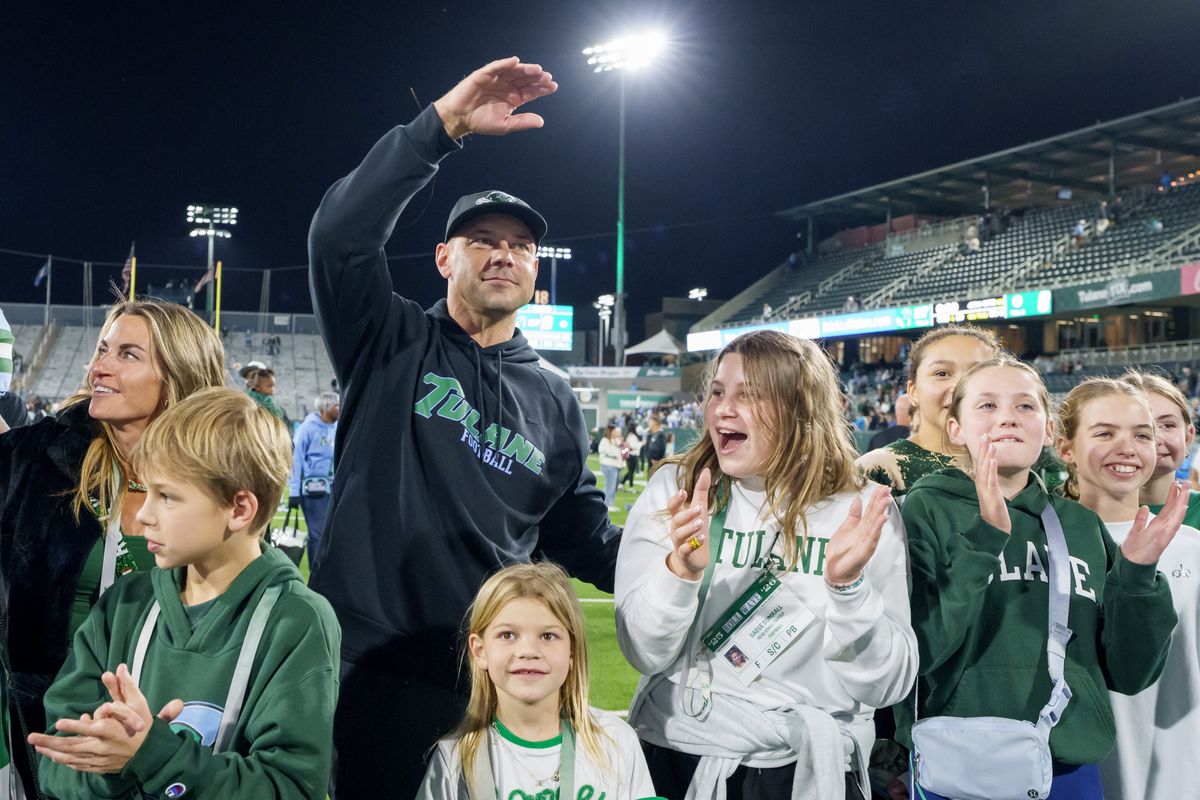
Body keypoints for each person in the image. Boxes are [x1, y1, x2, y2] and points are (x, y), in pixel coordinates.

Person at [307, 56, 621, 795]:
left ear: (535, 269)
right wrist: (441, 126)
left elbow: (580, 537)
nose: (504, 253)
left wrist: (681, 565)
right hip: (358, 665)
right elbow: (339, 238)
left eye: (520, 245)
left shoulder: (555, 399)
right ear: (444, 257)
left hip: (484, 679)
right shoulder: (388, 339)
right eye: (482, 238)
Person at [616, 331, 917, 800]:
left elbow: (888, 685)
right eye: (718, 392)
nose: (723, 410)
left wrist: (848, 588)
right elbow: (642, 653)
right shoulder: (678, 490)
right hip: (682, 754)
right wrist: (681, 573)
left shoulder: (859, 508)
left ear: (801, 408)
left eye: (749, 395)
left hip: (812, 767)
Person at [30, 388, 341, 799]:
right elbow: (56, 762)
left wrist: (152, 755)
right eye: (146, 491)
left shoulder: (297, 621)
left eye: (167, 496)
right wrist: (114, 763)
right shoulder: (124, 604)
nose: (144, 514)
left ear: (239, 509)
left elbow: (290, 787)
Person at [899, 358, 1179, 800]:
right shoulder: (925, 509)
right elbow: (916, 653)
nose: (1008, 417)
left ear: (1048, 431)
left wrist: (1138, 576)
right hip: (956, 761)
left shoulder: (1081, 525)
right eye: (987, 405)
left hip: (1067, 763)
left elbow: (1130, 673)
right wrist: (984, 540)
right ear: (955, 429)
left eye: (1025, 406)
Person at [0, 299, 226, 797]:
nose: (99, 366)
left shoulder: (219, 482)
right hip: (46, 725)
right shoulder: (36, 458)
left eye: (128, 354)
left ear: (177, 376)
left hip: (171, 728)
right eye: (103, 349)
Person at [1055, 377, 1200, 800]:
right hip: (1066, 774)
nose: (1126, 448)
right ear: (1065, 448)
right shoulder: (1039, 542)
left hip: (1177, 773)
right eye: (1105, 433)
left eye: (1142, 435)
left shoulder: (1192, 547)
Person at [416, 562, 660, 799]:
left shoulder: (615, 740)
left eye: (547, 636)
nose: (528, 651)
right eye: (507, 635)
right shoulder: (454, 759)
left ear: (572, 651)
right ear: (480, 651)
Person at [857, 325, 1000, 498]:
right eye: (942, 373)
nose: (959, 387)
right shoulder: (877, 470)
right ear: (913, 391)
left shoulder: (1014, 463)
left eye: (976, 373)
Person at [1121, 371, 1200, 528]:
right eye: (1139, 428)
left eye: (1168, 425)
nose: (1156, 439)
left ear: (1188, 436)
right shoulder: (1083, 516)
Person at [289, 391, 339, 573]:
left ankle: (327, 572)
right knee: (317, 533)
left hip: (332, 488)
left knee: (331, 533)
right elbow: (296, 460)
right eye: (336, 405)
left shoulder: (337, 427)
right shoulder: (307, 428)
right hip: (311, 489)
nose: (339, 409)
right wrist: (294, 492)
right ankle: (315, 574)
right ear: (325, 407)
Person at [599, 424, 624, 512]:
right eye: (615, 431)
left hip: (616, 465)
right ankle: (607, 504)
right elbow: (605, 451)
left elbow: (622, 449)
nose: (616, 433)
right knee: (610, 485)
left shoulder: (615, 440)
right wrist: (615, 453)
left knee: (614, 486)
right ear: (611, 431)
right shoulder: (605, 440)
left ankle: (610, 503)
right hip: (608, 465)